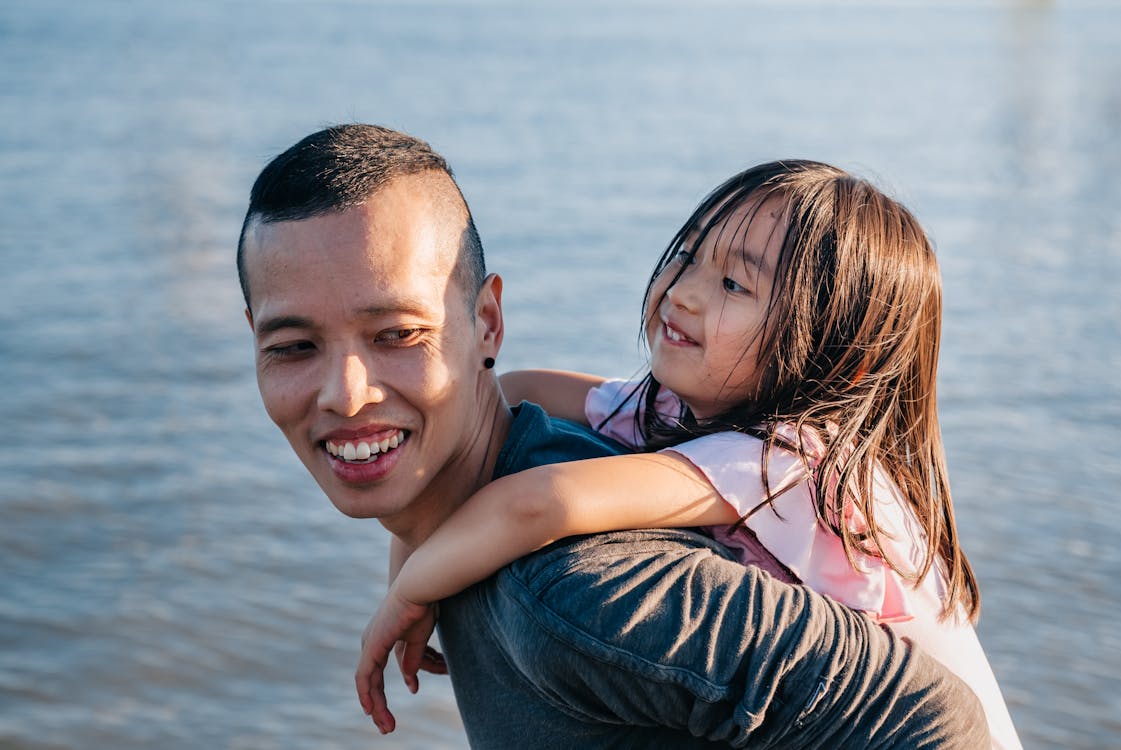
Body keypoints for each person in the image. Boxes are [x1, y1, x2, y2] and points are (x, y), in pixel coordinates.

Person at [239, 123, 989, 748]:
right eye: (294, 346)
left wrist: (410, 586)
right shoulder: (654, 416)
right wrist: (415, 555)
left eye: (398, 333)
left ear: (487, 323)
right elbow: (520, 389)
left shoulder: (592, 580)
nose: (347, 395)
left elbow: (938, 720)